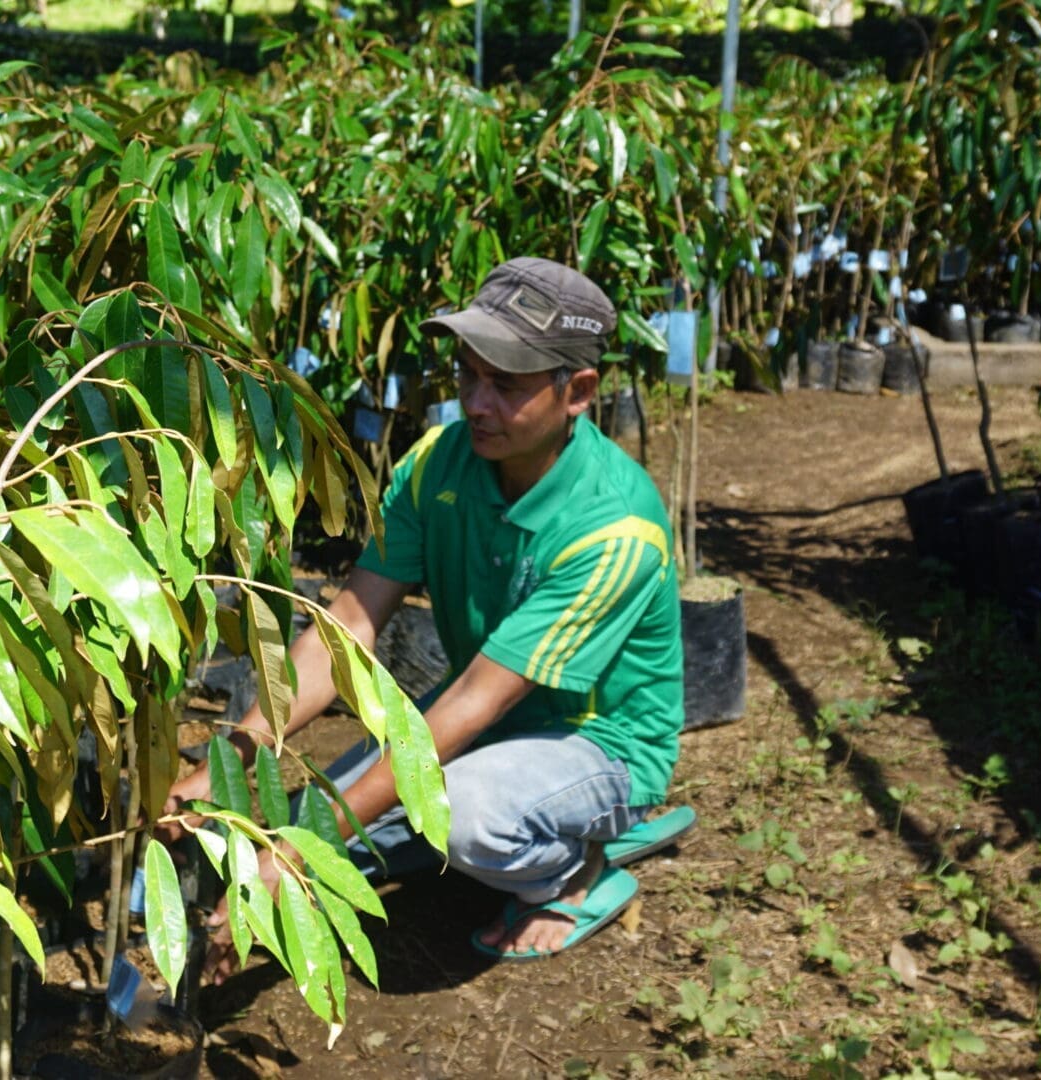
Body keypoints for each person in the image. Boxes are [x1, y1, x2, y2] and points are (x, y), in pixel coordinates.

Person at [165, 257, 689, 969]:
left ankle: (572, 873)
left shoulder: (613, 529)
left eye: (506, 385)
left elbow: (471, 705)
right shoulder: (438, 463)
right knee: (338, 825)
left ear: (580, 392)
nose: (476, 403)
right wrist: (234, 758)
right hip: (485, 716)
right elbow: (348, 629)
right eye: (468, 376)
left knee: (455, 816)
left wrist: (301, 852)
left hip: (598, 742)